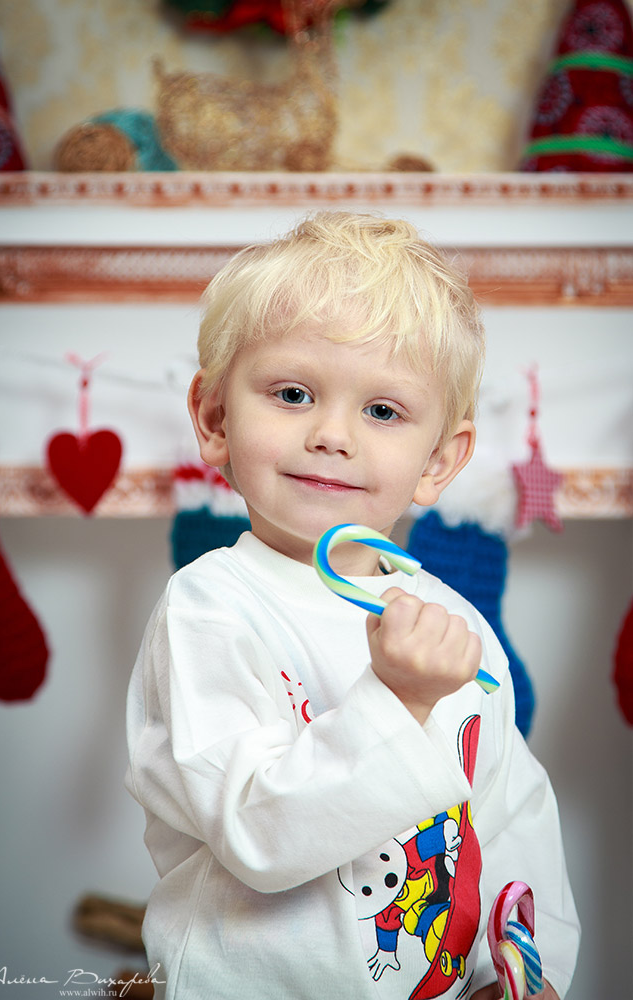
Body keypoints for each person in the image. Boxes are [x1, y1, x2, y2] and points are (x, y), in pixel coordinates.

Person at [125, 212, 580, 999]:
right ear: (214, 418)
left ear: (438, 462)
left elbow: (511, 818)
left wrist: (520, 967)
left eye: (382, 411)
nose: (332, 434)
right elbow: (255, 833)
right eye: (293, 393)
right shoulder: (209, 606)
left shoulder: (455, 622)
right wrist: (398, 702)